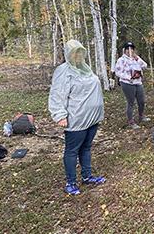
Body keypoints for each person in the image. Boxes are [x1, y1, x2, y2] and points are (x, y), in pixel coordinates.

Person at [48, 40, 106, 196]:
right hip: (76, 119)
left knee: (86, 148)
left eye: (80, 52)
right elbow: (57, 95)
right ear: (69, 54)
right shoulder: (63, 71)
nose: (78, 55)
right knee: (72, 151)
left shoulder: (85, 69)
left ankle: (87, 176)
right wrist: (60, 115)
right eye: (75, 52)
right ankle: (71, 182)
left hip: (92, 118)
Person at [115, 41, 150, 129]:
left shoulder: (136, 59)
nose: (129, 51)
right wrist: (128, 77)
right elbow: (118, 72)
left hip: (138, 82)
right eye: (127, 49)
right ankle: (131, 121)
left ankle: (141, 116)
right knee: (131, 102)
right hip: (127, 83)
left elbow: (145, 66)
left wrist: (137, 58)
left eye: (131, 49)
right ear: (124, 50)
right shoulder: (121, 60)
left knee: (141, 101)